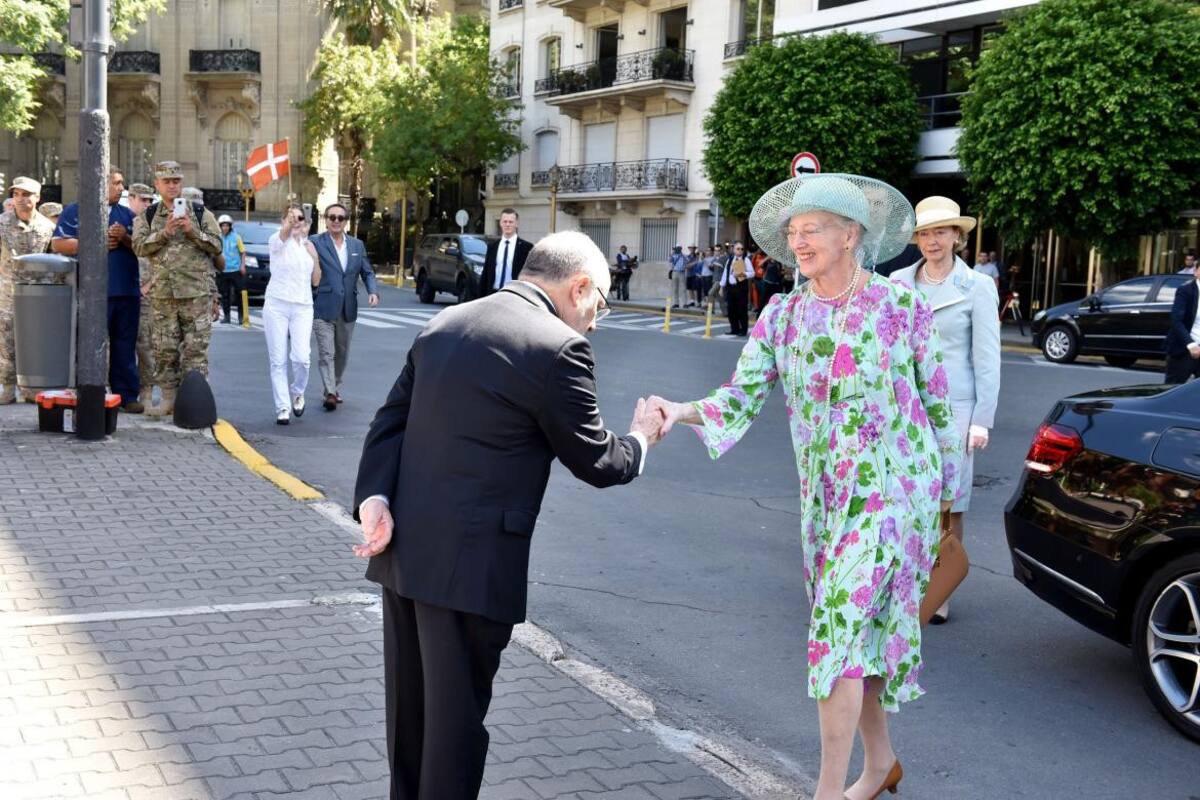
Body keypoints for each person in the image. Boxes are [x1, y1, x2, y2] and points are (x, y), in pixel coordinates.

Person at [648, 173, 961, 800]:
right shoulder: (784, 314)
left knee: (836, 631)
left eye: (810, 228)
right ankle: (879, 766)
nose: (798, 241)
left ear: (851, 235)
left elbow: (938, 402)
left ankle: (824, 794)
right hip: (827, 503)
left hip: (896, 495)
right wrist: (678, 411)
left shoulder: (900, 308)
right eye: (792, 232)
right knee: (852, 645)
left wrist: (942, 501)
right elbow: (741, 395)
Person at [351, 230, 662, 800]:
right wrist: (642, 439)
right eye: (600, 303)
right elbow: (595, 458)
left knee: (412, 727)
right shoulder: (557, 347)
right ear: (580, 286)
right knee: (455, 737)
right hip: (473, 571)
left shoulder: (447, 322)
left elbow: (388, 423)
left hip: (405, 555)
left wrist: (375, 500)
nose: (595, 319)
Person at [890, 196, 1001, 624]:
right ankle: (902, 581)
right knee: (902, 495)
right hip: (904, 405)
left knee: (949, 503)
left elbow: (987, 358)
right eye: (923, 233)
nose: (931, 241)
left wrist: (981, 420)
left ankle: (940, 587)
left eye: (940, 232)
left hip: (955, 408)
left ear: (957, 235)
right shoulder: (898, 281)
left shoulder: (977, 287)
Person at [131, 161, 223, 418]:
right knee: (165, 350)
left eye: (176, 181)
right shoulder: (148, 217)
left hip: (196, 295)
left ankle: (193, 401)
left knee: (195, 350)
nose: (172, 186)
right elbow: (138, 247)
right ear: (157, 185)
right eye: (167, 181)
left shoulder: (201, 214)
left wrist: (193, 232)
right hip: (163, 295)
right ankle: (169, 399)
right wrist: (165, 232)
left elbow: (217, 246)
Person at [51, 168, 144, 412]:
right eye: (115, 183)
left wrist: (124, 237)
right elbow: (58, 243)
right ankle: (91, 393)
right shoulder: (76, 211)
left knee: (125, 345)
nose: (121, 188)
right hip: (92, 293)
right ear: (99, 183)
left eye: (122, 183)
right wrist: (95, 241)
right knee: (91, 346)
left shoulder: (129, 215)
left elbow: (144, 249)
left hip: (126, 292)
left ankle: (127, 395)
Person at [311, 202, 380, 411]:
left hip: (348, 307)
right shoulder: (314, 242)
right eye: (332, 217)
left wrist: (373, 292)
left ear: (346, 222)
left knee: (342, 353)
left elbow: (367, 272)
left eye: (340, 218)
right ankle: (330, 392)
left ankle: (333, 386)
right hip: (323, 306)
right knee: (327, 353)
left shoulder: (357, 246)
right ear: (326, 219)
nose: (336, 221)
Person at [0, 177, 57, 404]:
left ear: (38, 197)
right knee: (6, 340)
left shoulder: (48, 227)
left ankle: (32, 387)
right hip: (7, 292)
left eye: (26, 195)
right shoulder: (2, 223)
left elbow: (54, 259)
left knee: (35, 339)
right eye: (17, 194)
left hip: (38, 295)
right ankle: (7, 386)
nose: (21, 200)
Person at [264, 205, 320, 424]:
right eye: (291, 218)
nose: (297, 222)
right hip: (277, 304)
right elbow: (283, 234)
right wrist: (289, 222)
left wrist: (315, 258)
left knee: (302, 358)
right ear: (284, 220)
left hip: (303, 306)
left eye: (300, 219)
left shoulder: (309, 247)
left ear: (307, 224)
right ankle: (283, 407)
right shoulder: (277, 241)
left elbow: (316, 281)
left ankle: (298, 390)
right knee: (278, 360)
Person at [125, 183, 157, 409]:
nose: (146, 204)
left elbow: (165, 260)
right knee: (120, 345)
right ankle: (121, 392)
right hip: (124, 293)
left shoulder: (155, 225)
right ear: (131, 199)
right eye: (142, 200)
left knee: (146, 347)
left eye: (149, 200)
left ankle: (146, 394)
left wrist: (148, 285)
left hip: (147, 296)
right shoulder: (123, 222)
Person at [479, 207, 532, 296]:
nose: (507, 224)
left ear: (517, 224)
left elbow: (529, 276)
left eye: (511, 222)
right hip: (493, 293)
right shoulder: (492, 247)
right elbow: (486, 274)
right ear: (500, 223)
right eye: (505, 221)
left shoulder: (526, 248)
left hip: (515, 295)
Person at [1164, 266, 1200, 383]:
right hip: (1184, 349)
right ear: (1196, 272)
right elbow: (1176, 320)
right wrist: (1191, 344)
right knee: (1172, 390)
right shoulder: (1186, 290)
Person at [216, 215, 247, 325]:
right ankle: (227, 317)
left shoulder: (236, 237)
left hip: (236, 270)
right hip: (223, 270)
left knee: (240, 294)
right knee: (225, 295)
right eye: (223, 225)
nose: (225, 227)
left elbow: (243, 252)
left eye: (227, 225)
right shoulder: (217, 237)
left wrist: (242, 265)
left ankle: (241, 317)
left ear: (230, 226)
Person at [721, 241, 753, 336]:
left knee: (741, 310)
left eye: (742, 249)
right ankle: (734, 329)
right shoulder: (730, 260)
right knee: (731, 309)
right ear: (734, 250)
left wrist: (741, 274)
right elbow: (725, 273)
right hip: (731, 288)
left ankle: (743, 330)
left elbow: (752, 273)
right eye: (738, 248)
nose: (740, 250)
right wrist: (721, 286)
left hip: (741, 288)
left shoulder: (745, 259)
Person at [669, 244, 688, 308]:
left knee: (683, 289)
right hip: (675, 272)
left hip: (682, 272)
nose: (676, 249)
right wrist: (671, 253)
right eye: (676, 248)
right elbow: (670, 260)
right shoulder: (673, 256)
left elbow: (687, 261)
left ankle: (685, 303)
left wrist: (682, 255)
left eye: (678, 248)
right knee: (675, 289)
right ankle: (676, 303)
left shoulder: (683, 256)